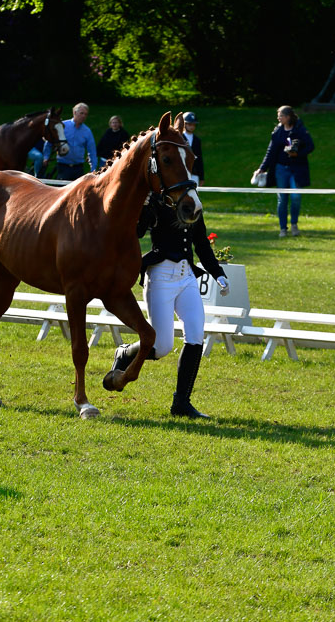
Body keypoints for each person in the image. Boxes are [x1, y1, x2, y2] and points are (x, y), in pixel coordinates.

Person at [108, 193, 230, 418]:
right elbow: (136, 233)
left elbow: (201, 243)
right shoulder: (155, 202)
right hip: (161, 277)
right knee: (162, 347)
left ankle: (182, 403)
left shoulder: (193, 203)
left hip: (187, 278)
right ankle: (125, 352)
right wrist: (142, 206)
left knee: (195, 335)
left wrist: (218, 274)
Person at [252, 106, 314, 237]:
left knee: (296, 196)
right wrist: (262, 168)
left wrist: (298, 154)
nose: (278, 118)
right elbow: (271, 151)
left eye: (280, 116)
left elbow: (310, 146)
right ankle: (283, 228)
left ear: (288, 117)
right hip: (281, 169)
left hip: (296, 168)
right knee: (282, 199)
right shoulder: (277, 132)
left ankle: (294, 224)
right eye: (278, 116)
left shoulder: (300, 130)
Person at [42, 102, 97, 181]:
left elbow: (92, 151)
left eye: (86, 114)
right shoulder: (63, 126)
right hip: (63, 166)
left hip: (78, 168)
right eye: (81, 113)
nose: (84, 116)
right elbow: (49, 142)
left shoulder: (87, 131)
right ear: (75, 112)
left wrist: (93, 169)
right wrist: (46, 157)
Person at [182, 111, 204, 186]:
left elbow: (199, 158)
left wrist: (201, 177)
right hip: (181, 172)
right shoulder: (179, 138)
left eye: (193, 124)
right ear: (184, 124)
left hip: (194, 173)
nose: (192, 126)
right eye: (189, 124)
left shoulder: (197, 140)